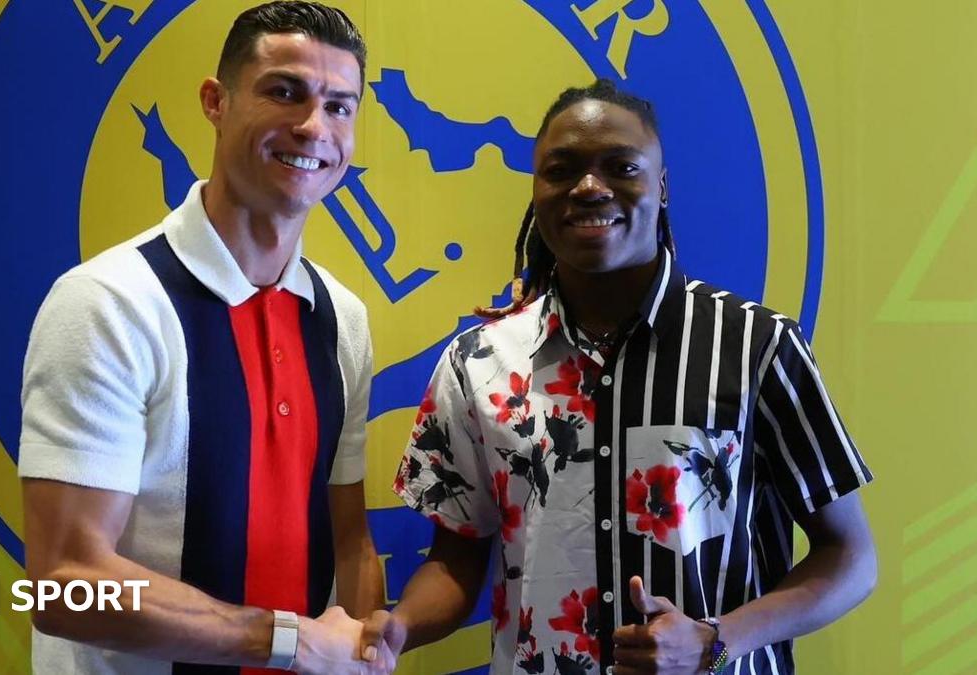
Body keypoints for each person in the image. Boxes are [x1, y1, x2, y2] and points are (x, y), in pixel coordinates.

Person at [372, 80, 877, 675]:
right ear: (536, 191)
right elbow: (456, 560)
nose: (589, 186)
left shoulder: (757, 346)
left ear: (661, 186)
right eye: (561, 170)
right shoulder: (476, 362)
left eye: (621, 167)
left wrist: (715, 640)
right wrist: (398, 628)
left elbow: (851, 558)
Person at [18, 3, 394, 673]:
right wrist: (291, 641)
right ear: (216, 102)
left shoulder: (344, 318)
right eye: (285, 91)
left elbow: (350, 539)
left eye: (339, 106)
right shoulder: (108, 303)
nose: (314, 126)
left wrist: (364, 649)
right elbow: (66, 582)